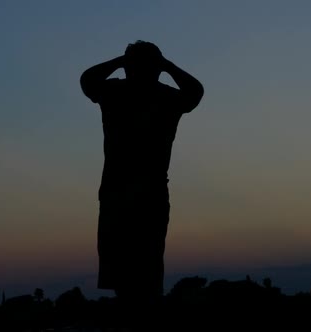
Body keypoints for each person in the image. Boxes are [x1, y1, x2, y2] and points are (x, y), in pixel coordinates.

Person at [80, 41, 204, 322]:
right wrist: (165, 65)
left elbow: (88, 80)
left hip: (135, 191)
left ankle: (139, 318)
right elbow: (195, 92)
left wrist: (123, 61)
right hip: (131, 191)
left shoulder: (123, 93)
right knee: (132, 266)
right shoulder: (133, 94)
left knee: (140, 265)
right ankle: (137, 317)